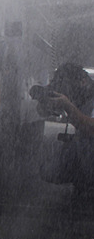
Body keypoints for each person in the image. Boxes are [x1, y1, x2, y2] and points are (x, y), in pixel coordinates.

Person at [35, 63, 94, 194]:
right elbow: (42, 111)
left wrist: (67, 106)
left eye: (69, 86)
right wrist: (46, 103)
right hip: (86, 171)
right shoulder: (82, 96)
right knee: (48, 170)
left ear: (83, 81)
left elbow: (91, 128)